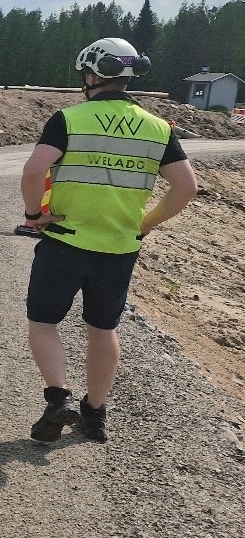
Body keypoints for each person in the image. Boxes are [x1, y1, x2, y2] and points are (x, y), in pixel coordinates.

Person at [22, 37, 197, 444]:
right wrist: (145, 224)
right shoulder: (158, 128)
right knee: (102, 329)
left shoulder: (68, 118)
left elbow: (34, 171)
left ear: (90, 76)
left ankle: (57, 399)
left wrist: (35, 217)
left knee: (45, 322)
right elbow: (185, 188)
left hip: (63, 240)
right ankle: (95, 414)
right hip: (119, 248)